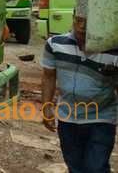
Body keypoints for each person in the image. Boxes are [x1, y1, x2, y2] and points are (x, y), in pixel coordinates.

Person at [41, 14, 118, 173]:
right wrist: (47, 106)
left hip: (101, 117)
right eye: (79, 20)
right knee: (75, 167)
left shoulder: (113, 51)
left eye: (88, 22)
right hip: (67, 117)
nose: (82, 26)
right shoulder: (55, 44)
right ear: (73, 18)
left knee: (95, 168)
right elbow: (48, 76)